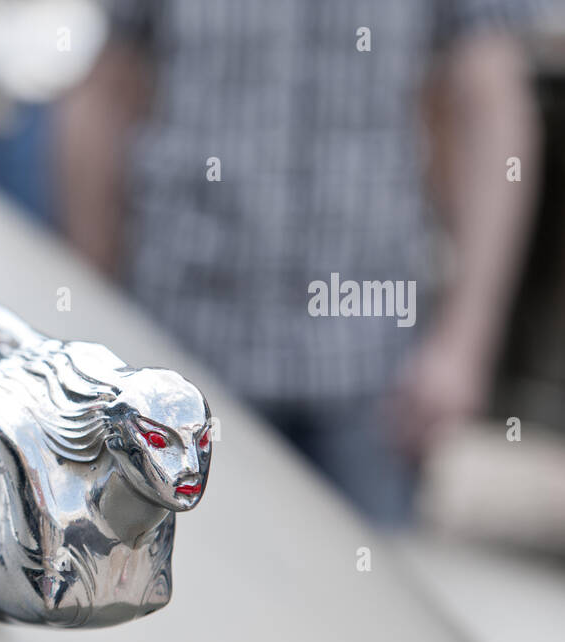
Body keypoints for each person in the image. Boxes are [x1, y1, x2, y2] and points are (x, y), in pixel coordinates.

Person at [57, 0, 545, 526]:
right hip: (184, 356)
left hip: (370, 377)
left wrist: (464, 344)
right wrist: (97, 323)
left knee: (362, 600)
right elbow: (104, 92)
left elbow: (491, 107)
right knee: (186, 594)